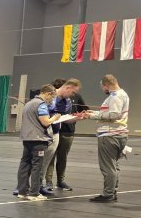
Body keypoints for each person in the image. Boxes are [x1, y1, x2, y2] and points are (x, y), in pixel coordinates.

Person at [76, 74, 129, 202]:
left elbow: (114, 114)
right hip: (119, 134)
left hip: (110, 135)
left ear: (107, 85)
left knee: (108, 167)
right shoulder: (123, 94)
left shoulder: (115, 97)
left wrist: (92, 116)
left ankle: (108, 194)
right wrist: (93, 113)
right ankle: (112, 191)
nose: (103, 90)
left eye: (103, 87)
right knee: (113, 166)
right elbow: (109, 113)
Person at [16, 84, 59, 201]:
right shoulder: (41, 104)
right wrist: (55, 118)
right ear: (48, 93)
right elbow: (45, 122)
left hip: (27, 138)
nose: (52, 100)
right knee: (37, 166)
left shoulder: (29, 103)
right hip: (38, 140)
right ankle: (34, 193)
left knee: (25, 164)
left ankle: (22, 191)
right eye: (52, 97)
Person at [40, 78, 81, 194]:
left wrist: (78, 117)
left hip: (56, 133)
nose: (73, 95)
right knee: (42, 160)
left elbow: (63, 118)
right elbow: (43, 117)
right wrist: (52, 119)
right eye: (73, 92)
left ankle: (40, 186)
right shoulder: (49, 97)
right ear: (67, 87)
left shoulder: (67, 102)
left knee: (54, 158)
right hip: (43, 134)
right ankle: (38, 185)